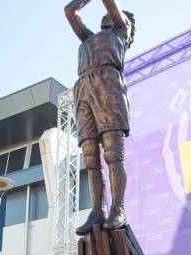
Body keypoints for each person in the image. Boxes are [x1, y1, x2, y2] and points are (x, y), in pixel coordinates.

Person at [65, 0, 136, 233]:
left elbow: (110, 5)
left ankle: (118, 208)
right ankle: (97, 210)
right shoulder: (88, 38)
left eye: (114, 14)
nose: (108, 15)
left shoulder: (121, 30)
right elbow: (69, 11)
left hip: (108, 85)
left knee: (113, 154)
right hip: (84, 88)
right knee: (90, 157)